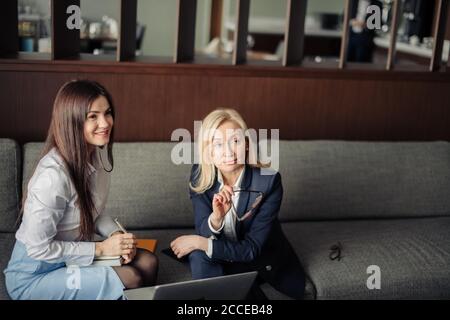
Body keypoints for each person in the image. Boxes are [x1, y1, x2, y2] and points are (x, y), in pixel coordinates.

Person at [4, 80, 158, 300]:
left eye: (108, 113)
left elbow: (92, 211)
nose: (105, 123)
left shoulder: (98, 154)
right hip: (35, 274)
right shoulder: (52, 177)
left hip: (71, 256)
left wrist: (116, 236)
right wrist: (102, 250)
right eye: (92, 116)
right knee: (131, 276)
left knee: (148, 262)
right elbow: (38, 249)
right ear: (72, 121)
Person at [170, 108, 305, 299]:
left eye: (236, 141)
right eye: (218, 144)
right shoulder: (200, 174)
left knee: (200, 250)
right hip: (222, 252)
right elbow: (204, 229)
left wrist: (199, 242)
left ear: (247, 144)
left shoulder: (269, 181)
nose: (229, 151)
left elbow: (251, 249)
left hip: (256, 257)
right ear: (207, 152)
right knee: (198, 256)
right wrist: (216, 219)